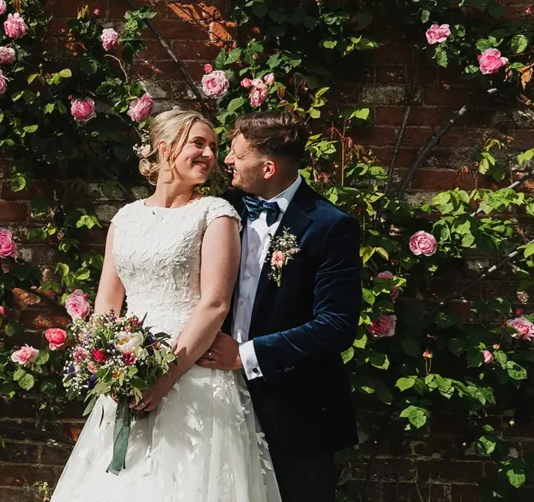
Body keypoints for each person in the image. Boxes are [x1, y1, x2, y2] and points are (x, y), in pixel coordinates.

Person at [49, 109, 280, 502]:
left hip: (191, 374)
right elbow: (107, 303)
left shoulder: (216, 214)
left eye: (214, 146)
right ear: (165, 148)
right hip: (127, 373)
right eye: (199, 143)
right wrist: (107, 364)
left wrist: (165, 377)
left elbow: (215, 303)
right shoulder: (125, 219)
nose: (210, 154)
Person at [197, 111, 361, 502]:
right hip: (214, 398)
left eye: (237, 153)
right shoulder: (219, 211)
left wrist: (245, 356)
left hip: (296, 409)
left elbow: (336, 325)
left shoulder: (330, 226)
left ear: (267, 167)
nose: (228, 161)